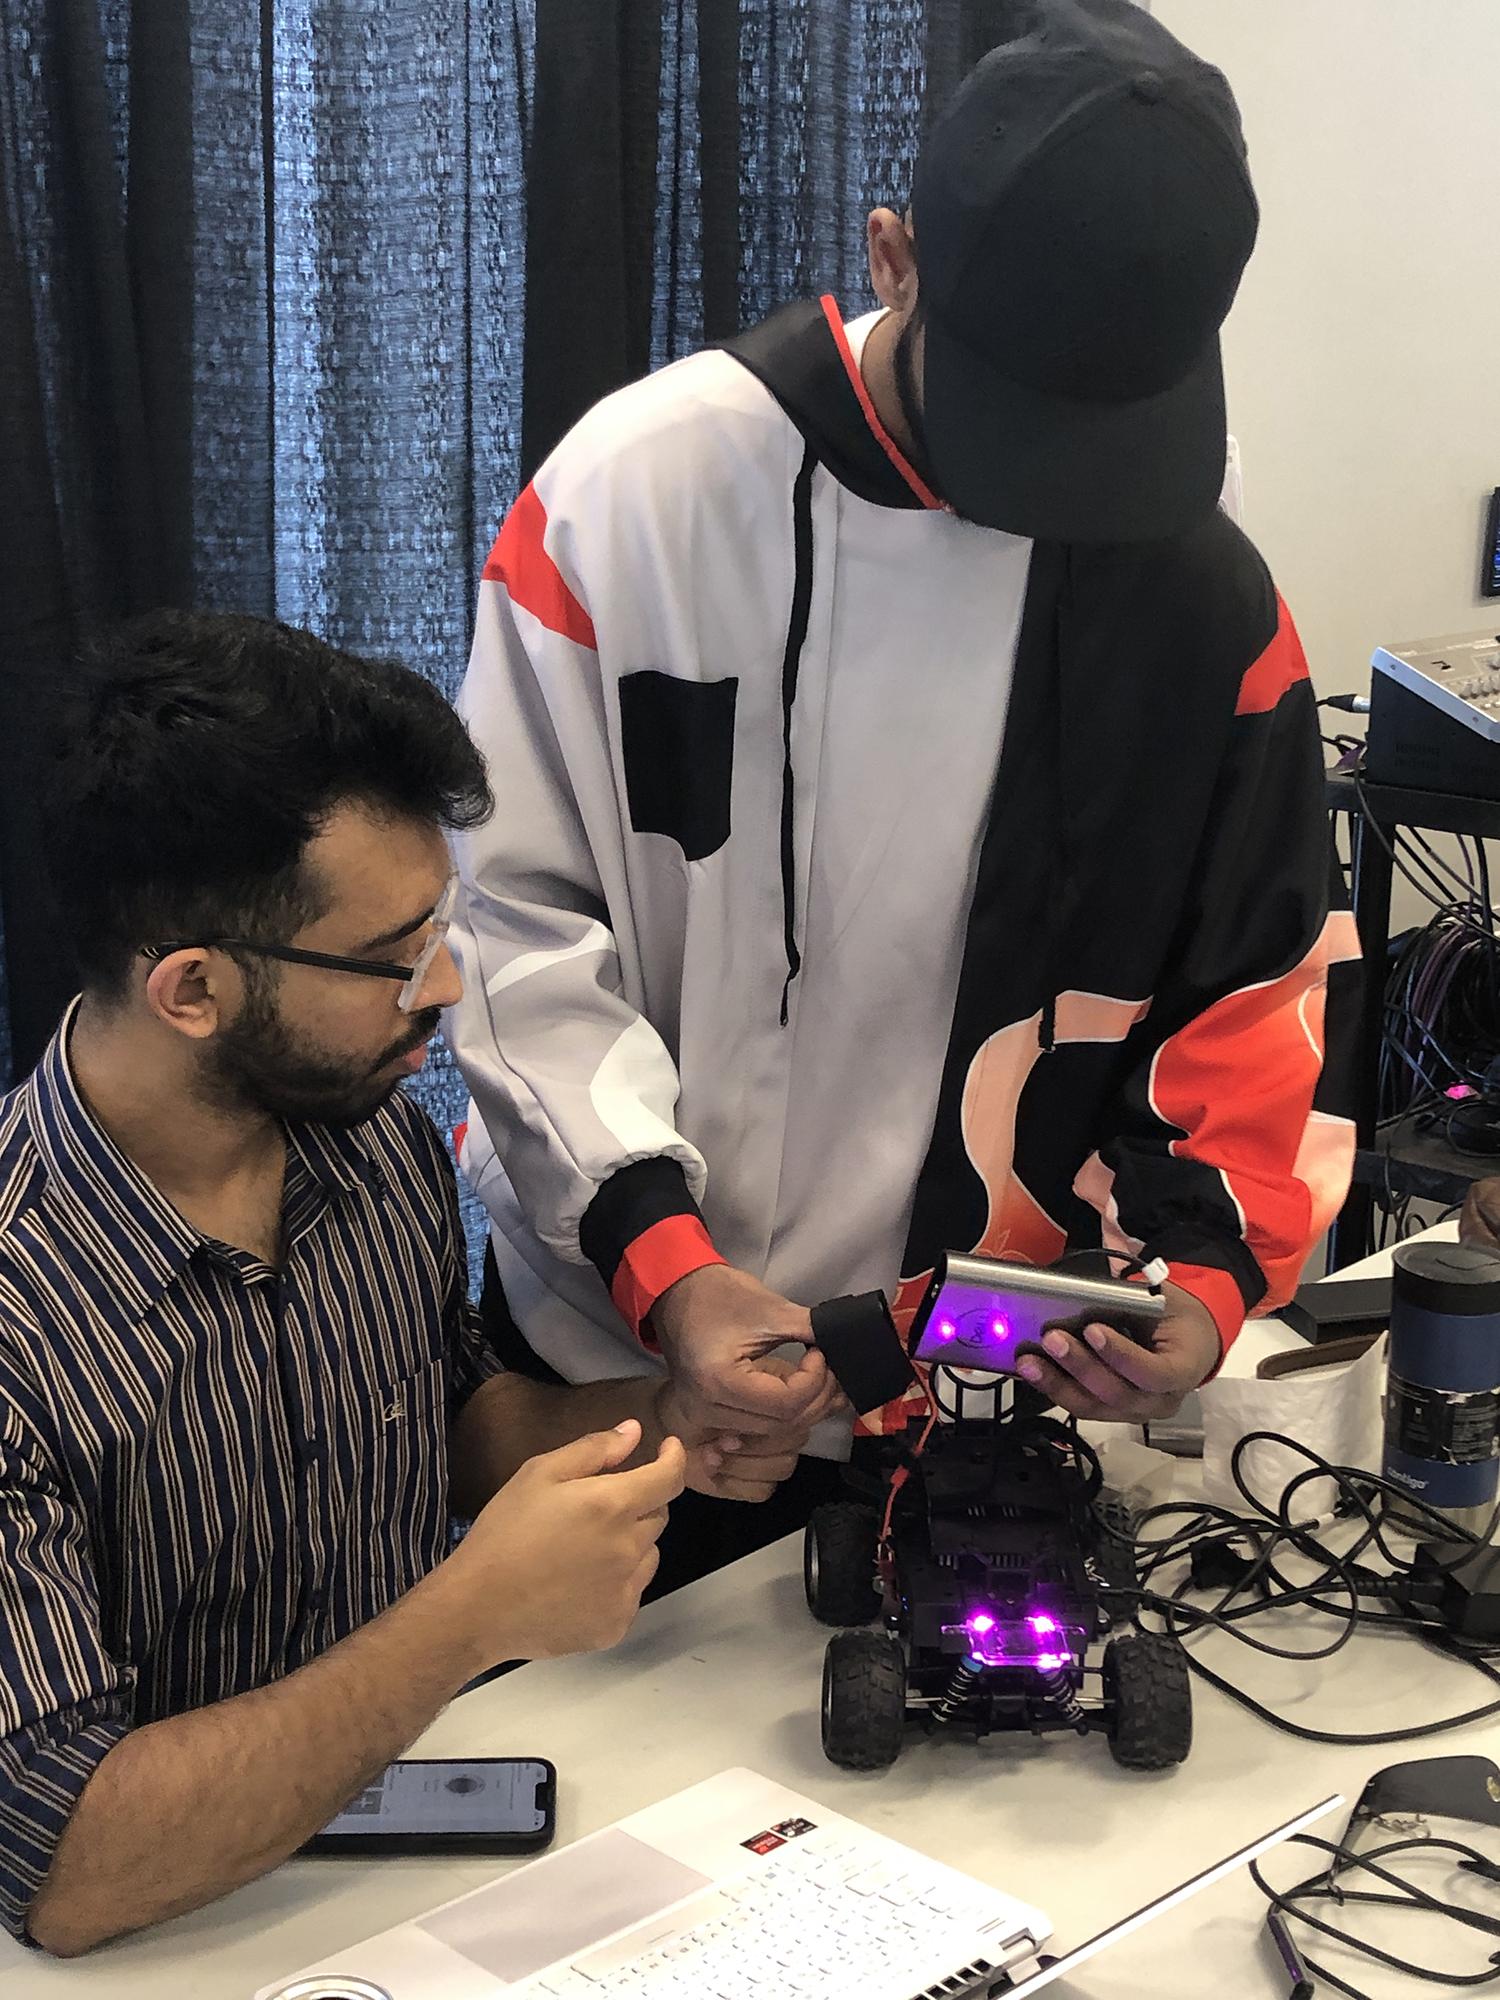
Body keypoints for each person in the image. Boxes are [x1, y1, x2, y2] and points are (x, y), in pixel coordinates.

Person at [446, 0, 1361, 1594]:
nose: (1055, 499)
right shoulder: (636, 498)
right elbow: (511, 925)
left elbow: (1265, 973)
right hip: (639, 1373)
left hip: (1000, 1388)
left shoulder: (1196, 583)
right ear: (892, 256)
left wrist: (1204, 1286)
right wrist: (667, 1268)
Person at [0, 611, 813, 1957]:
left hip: (410, 1872)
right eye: (389, 959)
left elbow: (442, 1420)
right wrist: (474, 1615)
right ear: (192, 989)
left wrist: (667, 1421)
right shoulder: (28, 1303)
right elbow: (66, 1864)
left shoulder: (368, 1136)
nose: (442, 986)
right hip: (160, 1938)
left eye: (441, 923)